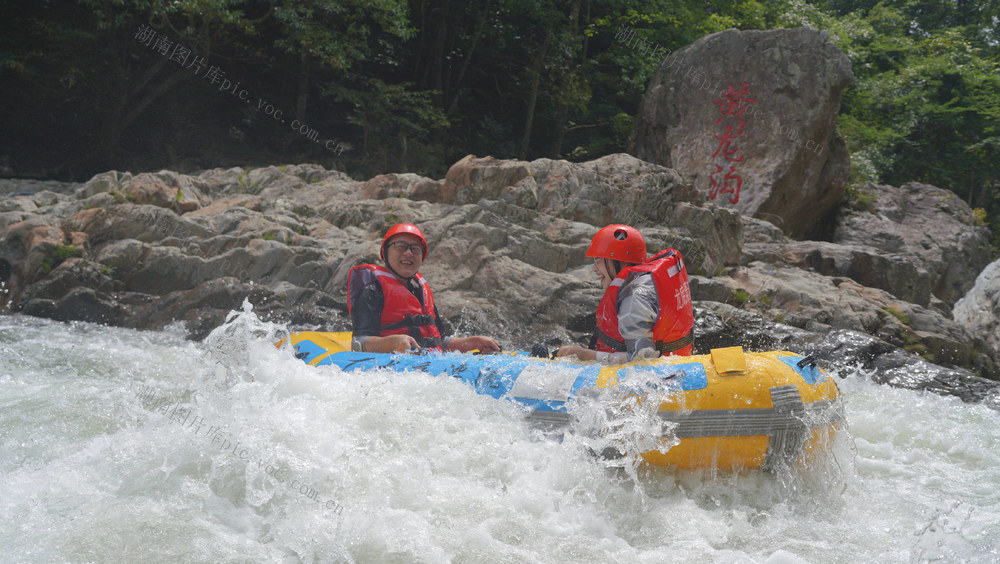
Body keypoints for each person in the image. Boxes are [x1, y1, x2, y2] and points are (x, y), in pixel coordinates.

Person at [347, 223, 501, 354]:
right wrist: (392, 343)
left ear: (421, 257)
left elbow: (439, 342)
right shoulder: (372, 291)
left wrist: (473, 342)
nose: (408, 253)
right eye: (400, 247)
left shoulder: (421, 293)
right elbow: (358, 343)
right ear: (384, 254)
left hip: (428, 364)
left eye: (415, 249)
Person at [555, 224, 694, 363]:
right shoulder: (646, 283)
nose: (594, 270)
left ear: (617, 260)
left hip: (663, 375)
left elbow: (643, 361)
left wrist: (582, 355)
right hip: (677, 362)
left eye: (598, 261)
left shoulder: (634, 297)